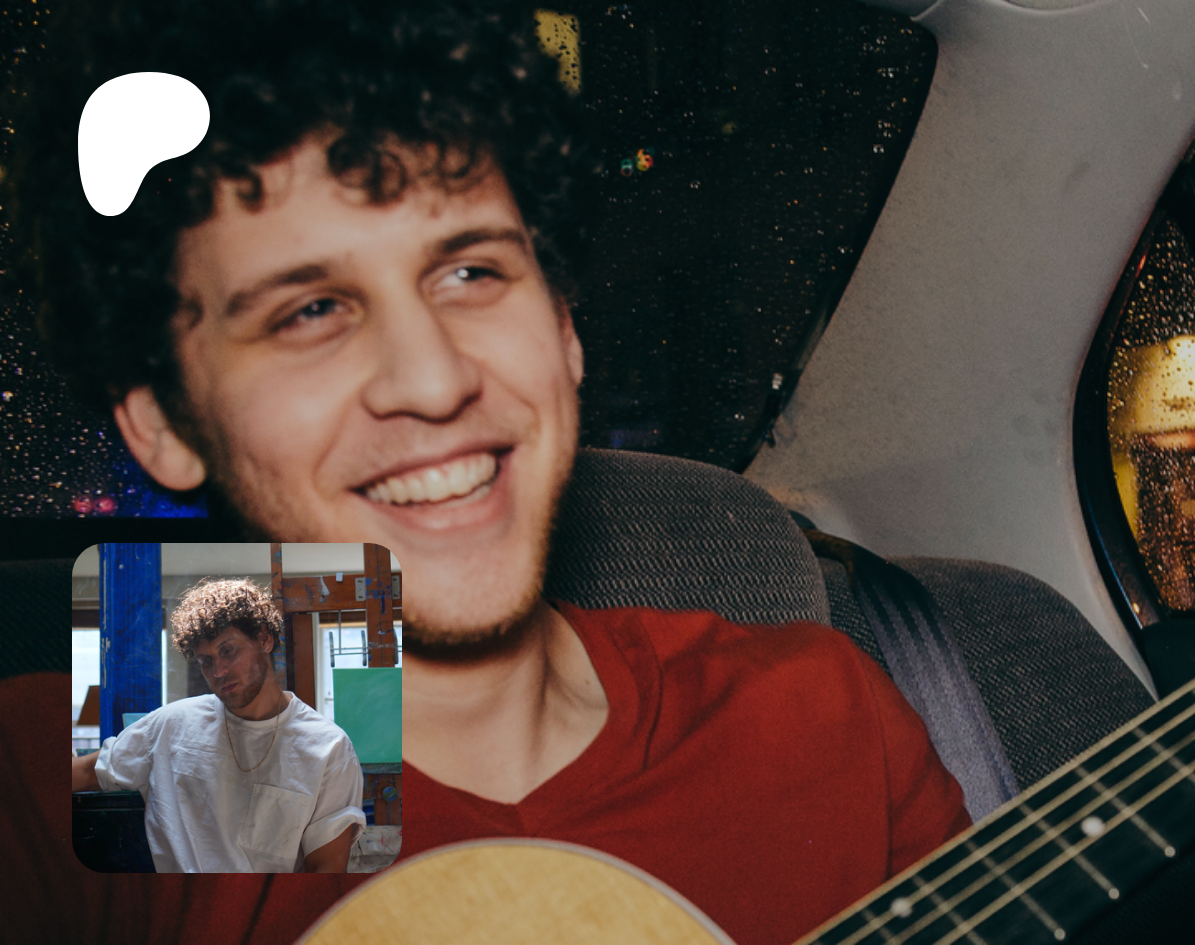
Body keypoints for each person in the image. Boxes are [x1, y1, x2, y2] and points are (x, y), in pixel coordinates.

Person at [10, 0, 970, 942]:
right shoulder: (60, 790)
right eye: (309, 310)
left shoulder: (824, 717)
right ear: (167, 421)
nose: (435, 379)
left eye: (471, 272)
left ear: (563, 327)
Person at [71, 578, 365, 873]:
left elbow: (326, 871)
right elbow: (81, 773)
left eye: (228, 650)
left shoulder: (328, 748)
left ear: (264, 639)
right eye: (205, 661)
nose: (219, 671)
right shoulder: (170, 726)